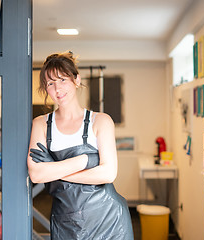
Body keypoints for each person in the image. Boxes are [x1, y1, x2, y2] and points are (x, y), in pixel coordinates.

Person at [27, 51, 134, 239]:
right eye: (50, 83)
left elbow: (108, 174)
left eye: (62, 80)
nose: (57, 89)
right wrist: (85, 160)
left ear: (76, 79)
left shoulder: (100, 121)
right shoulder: (41, 124)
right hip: (65, 222)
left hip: (109, 220)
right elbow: (36, 174)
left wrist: (56, 173)